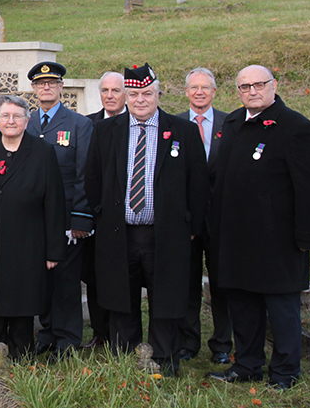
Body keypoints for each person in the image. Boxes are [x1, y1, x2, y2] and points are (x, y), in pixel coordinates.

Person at [207, 65, 310, 390]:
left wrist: (308, 236)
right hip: (236, 238)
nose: (251, 91)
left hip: (279, 240)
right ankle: (247, 365)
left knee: (281, 310)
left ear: (273, 85)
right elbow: (222, 182)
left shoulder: (295, 127)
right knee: (243, 306)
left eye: (258, 85)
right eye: (244, 86)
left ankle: (285, 372)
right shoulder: (232, 123)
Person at [85, 63, 207, 376]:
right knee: (120, 299)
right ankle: (126, 361)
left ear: (159, 95)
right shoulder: (105, 131)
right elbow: (93, 178)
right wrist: (104, 215)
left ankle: (164, 361)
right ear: (126, 96)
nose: (141, 99)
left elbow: (197, 182)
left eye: (148, 93)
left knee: (165, 300)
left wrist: (191, 228)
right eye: (135, 93)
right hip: (119, 232)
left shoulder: (182, 131)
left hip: (165, 234)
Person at [0, 94, 66, 383]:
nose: (11, 121)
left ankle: (22, 359)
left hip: (26, 244)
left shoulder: (43, 152)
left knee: (22, 306)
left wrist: (54, 250)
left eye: (17, 116)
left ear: (27, 121)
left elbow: (55, 203)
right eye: (5, 116)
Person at [24, 62, 94, 361]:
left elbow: (85, 174)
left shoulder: (79, 124)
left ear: (61, 87)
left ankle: (68, 339)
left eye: (52, 83)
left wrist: (80, 216)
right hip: (34, 219)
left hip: (66, 219)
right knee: (43, 279)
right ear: (34, 89)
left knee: (66, 281)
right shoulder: (26, 123)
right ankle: (48, 333)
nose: (46, 88)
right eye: (41, 84)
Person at [175, 67, 231, 365]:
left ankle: (222, 343)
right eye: (194, 87)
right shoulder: (174, 125)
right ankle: (188, 341)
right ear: (186, 92)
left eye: (205, 87)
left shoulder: (230, 123)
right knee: (188, 282)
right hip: (186, 219)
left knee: (222, 284)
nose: (199, 92)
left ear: (214, 92)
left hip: (221, 219)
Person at [81, 70, 127, 349]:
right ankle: (100, 332)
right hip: (96, 213)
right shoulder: (88, 125)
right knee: (95, 275)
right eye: (105, 91)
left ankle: (123, 333)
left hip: (126, 215)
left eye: (116, 91)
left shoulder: (137, 124)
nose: (110, 96)